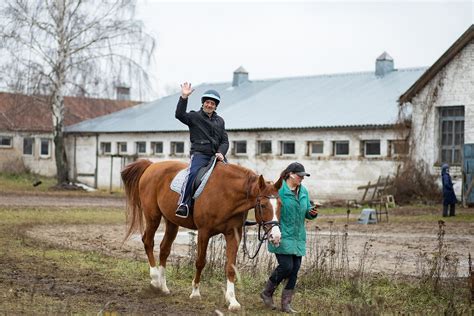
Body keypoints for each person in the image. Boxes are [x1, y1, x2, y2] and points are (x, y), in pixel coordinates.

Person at [260, 162, 318, 313]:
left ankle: (286, 304)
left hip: (298, 237)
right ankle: (267, 292)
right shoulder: (278, 191)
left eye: (303, 177)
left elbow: (306, 210)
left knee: (295, 270)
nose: (302, 179)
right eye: (300, 176)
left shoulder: (303, 191)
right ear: (290, 174)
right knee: (287, 266)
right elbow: (270, 210)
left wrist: (311, 213)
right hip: (282, 234)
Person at [174, 82, 229, 218]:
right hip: (200, 155)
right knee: (193, 174)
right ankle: (184, 204)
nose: (209, 105)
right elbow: (179, 114)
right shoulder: (194, 117)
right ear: (203, 103)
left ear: (216, 106)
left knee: (231, 177)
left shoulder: (220, 121)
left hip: (216, 156)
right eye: (207, 102)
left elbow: (225, 141)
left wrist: (221, 153)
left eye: (212, 103)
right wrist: (184, 97)